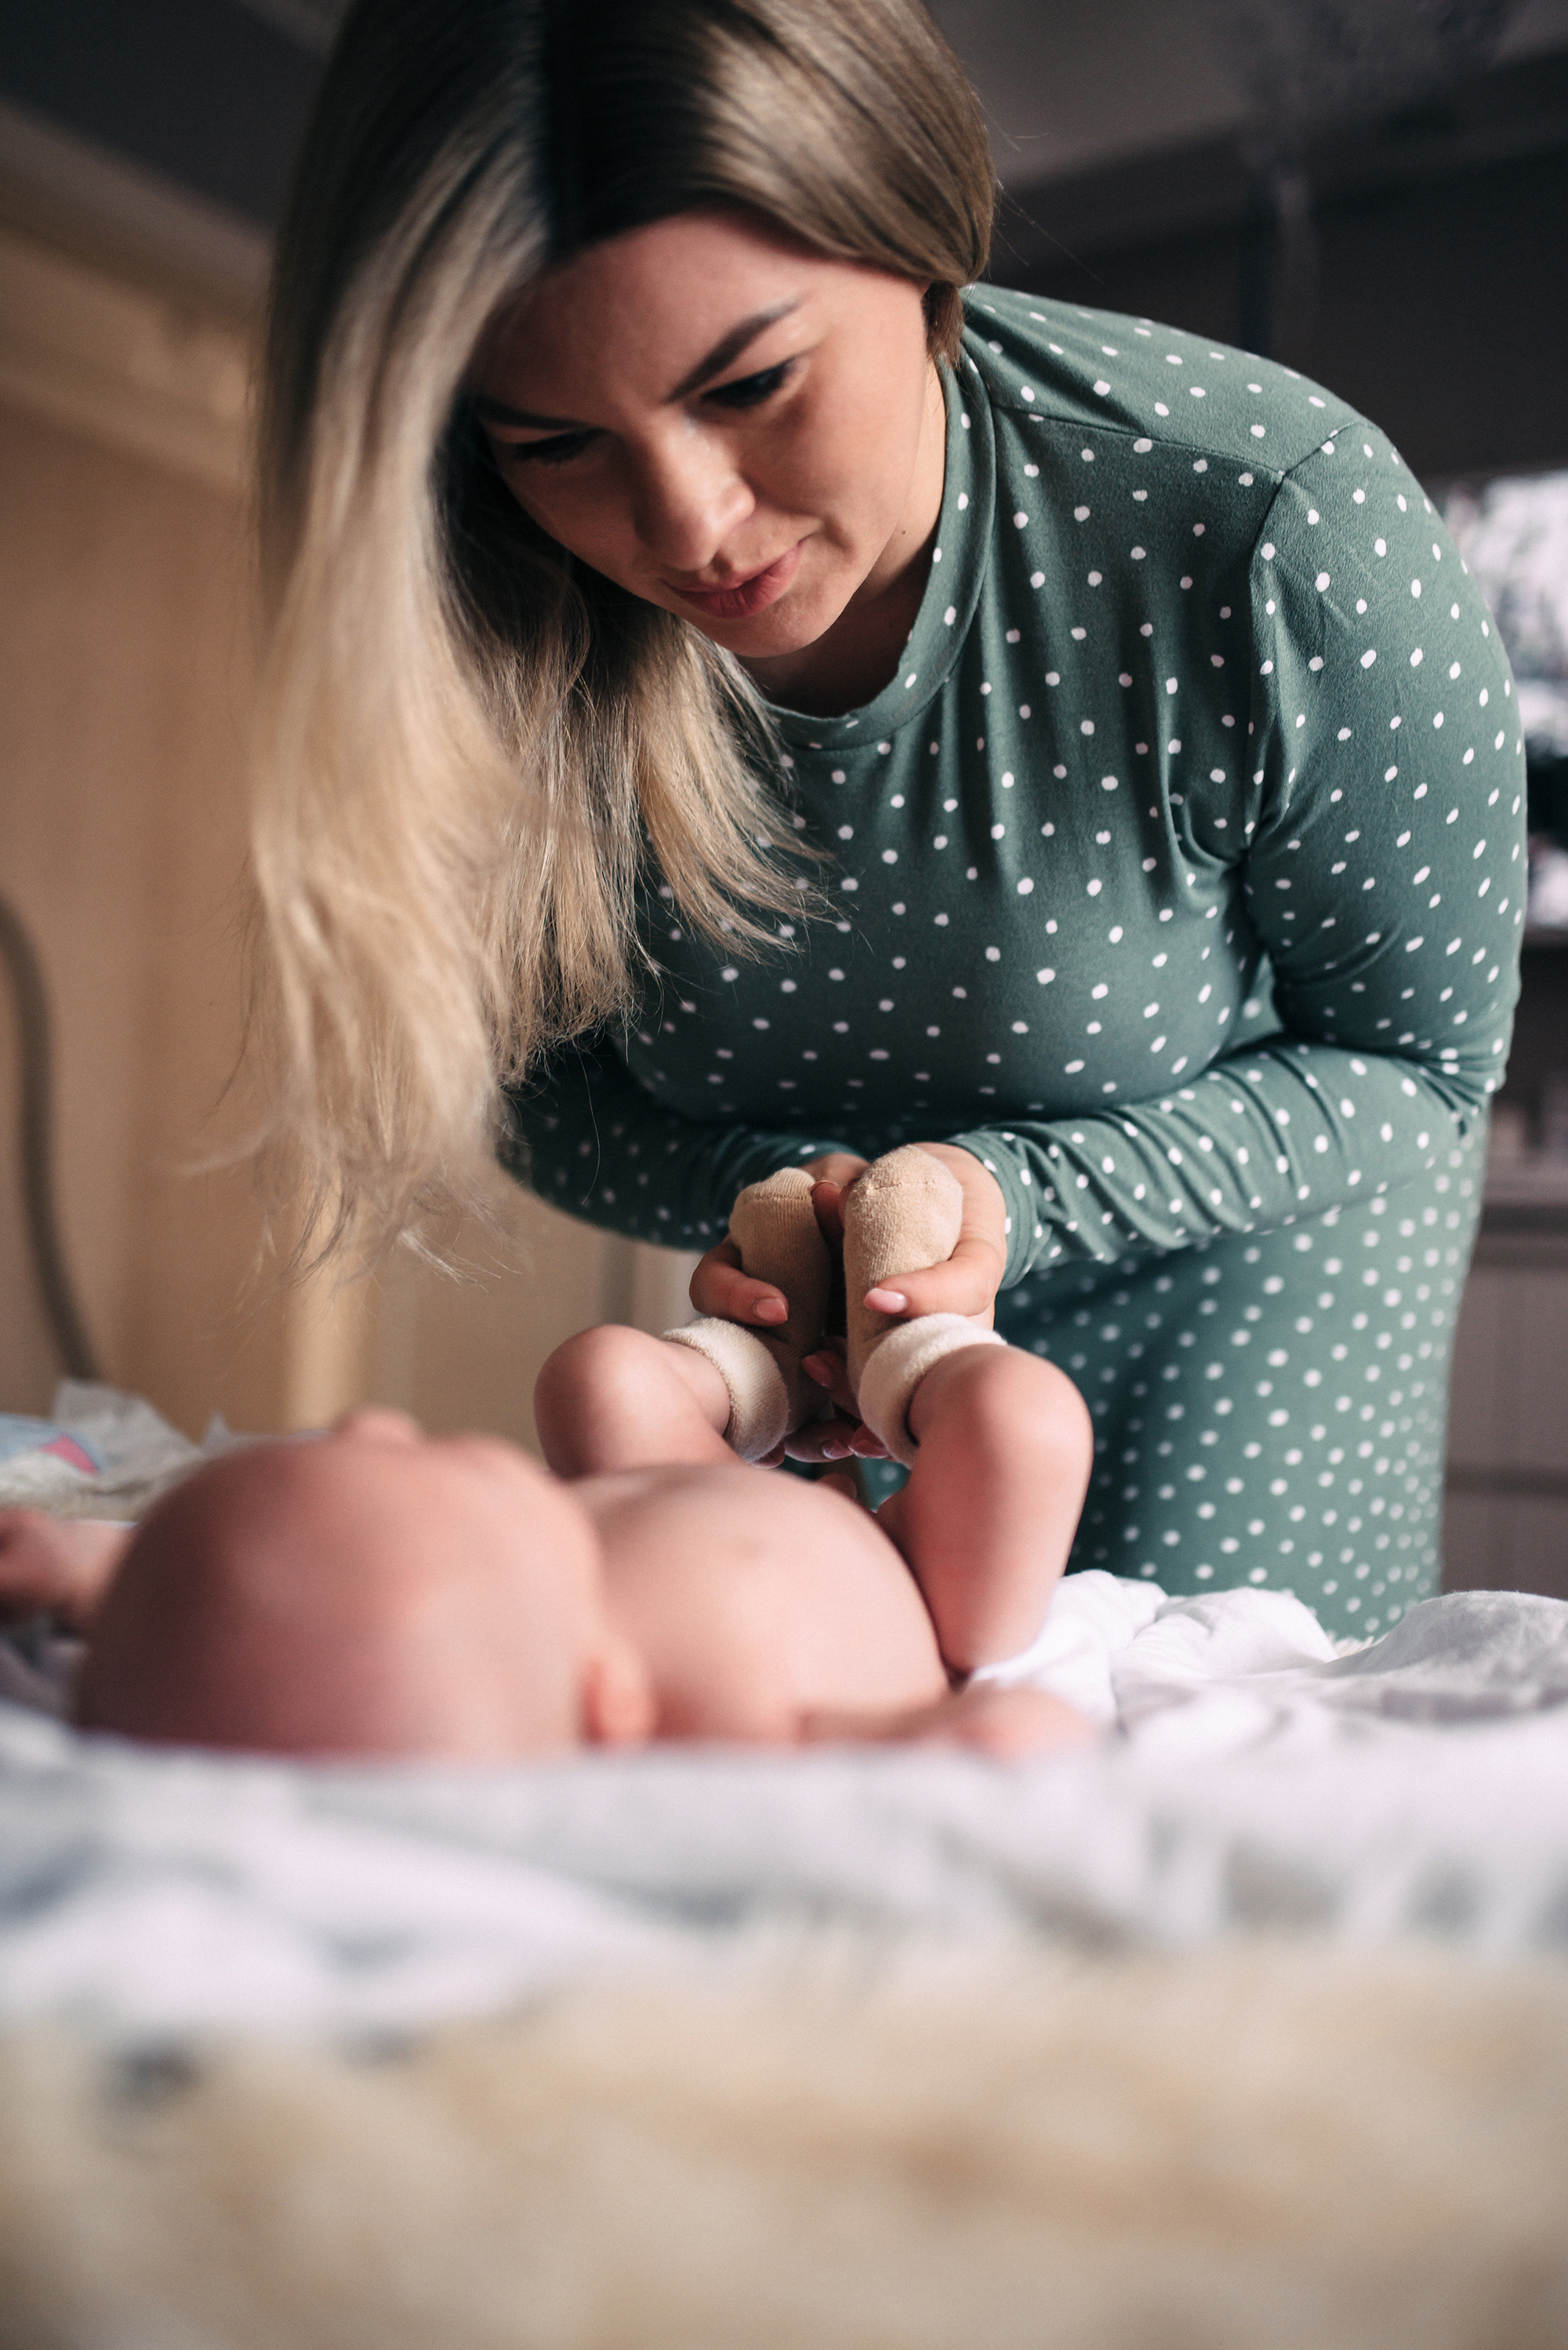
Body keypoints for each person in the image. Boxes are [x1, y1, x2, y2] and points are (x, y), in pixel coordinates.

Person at [249, 0, 1524, 1644]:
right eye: (557, 445)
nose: (688, 527)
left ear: (919, 240)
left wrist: (993, 1200)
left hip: (1233, 1298)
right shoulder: (487, 608)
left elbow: (1415, 1071)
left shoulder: (1269, 528)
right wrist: (818, 1222)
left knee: (1168, 1824)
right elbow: (519, 1088)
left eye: (752, 381)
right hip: (803, 1336)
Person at [0, 1324, 1094, 1759]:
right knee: (1022, 1423)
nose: (375, 1421)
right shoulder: (716, 1713)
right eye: (423, 1469)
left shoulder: (525, 1587)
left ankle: (775, 1364)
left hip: (684, 1481)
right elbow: (910, 1749)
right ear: (609, 1700)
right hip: (920, 1583)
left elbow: (223, 1621)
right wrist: (975, 1736)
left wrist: (92, 1572)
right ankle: (901, 1354)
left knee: (601, 1377)